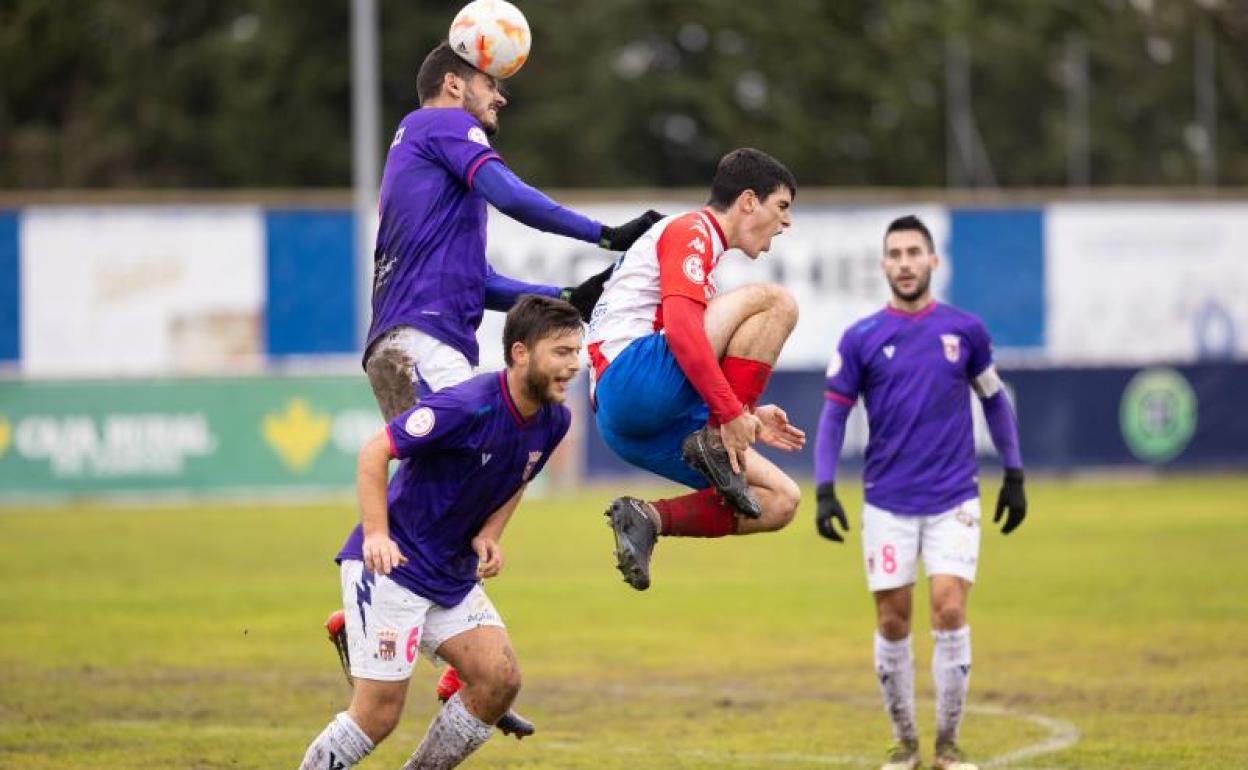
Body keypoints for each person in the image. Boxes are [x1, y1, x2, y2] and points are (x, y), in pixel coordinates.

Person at [329, 40, 662, 736]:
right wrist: (601, 234)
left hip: (417, 338)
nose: (500, 96)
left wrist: (562, 293)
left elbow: (477, 284)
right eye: (492, 82)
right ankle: (414, 641)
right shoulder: (441, 126)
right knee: (498, 437)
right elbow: (510, 193)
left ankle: (412, 642)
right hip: (416, 343)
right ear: (453, 86)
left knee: (454, 482)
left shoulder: (433, 175)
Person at [298, 295, 582, 770]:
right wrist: (375, 536)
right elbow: (374, 452)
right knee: (378, 716)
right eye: (561, 352)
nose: (573, 365)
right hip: (396, 567)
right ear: (519, 353)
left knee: (499, 679)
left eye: (576, 352)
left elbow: (520, 475)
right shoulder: (468, 405)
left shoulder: (555, 420)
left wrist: (491, 532)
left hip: (451, 573)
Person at [812, 215, 1028, 770]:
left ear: (933, 262)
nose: (905, 262)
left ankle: (948, 747)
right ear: (884, 265)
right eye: (895, 254)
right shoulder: (861, 337)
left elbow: (995, 401)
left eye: (914, 252)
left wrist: (1015, 474)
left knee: (949, 607)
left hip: (954, 496)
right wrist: (824, 489)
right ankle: (904, 743)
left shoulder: (966, 331)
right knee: (893, 620)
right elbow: (834, 417)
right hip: (887, 500)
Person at [586, 148, 807, 591]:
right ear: (748, 201)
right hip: (630, 380)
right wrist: (730, 413)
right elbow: (685, 333)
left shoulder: (701, 246)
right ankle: (715, 436)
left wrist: (746, 415)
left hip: (631, 423)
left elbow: (690, 347)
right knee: (776, 301)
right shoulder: (693, 229)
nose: (786, 222)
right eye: (781, 206)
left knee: (781, 500)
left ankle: (647, 518)